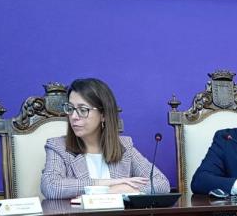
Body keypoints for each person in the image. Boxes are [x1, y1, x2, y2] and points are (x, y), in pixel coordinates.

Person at [42, 78, 170, 200]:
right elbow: (52, 187)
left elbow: (161, 183)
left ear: (103, 115)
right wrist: (109, 184)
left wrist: (122, 190)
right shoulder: (58, 146)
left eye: (82, 110)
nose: (74, 116)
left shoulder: (124, 146)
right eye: (70, 109)